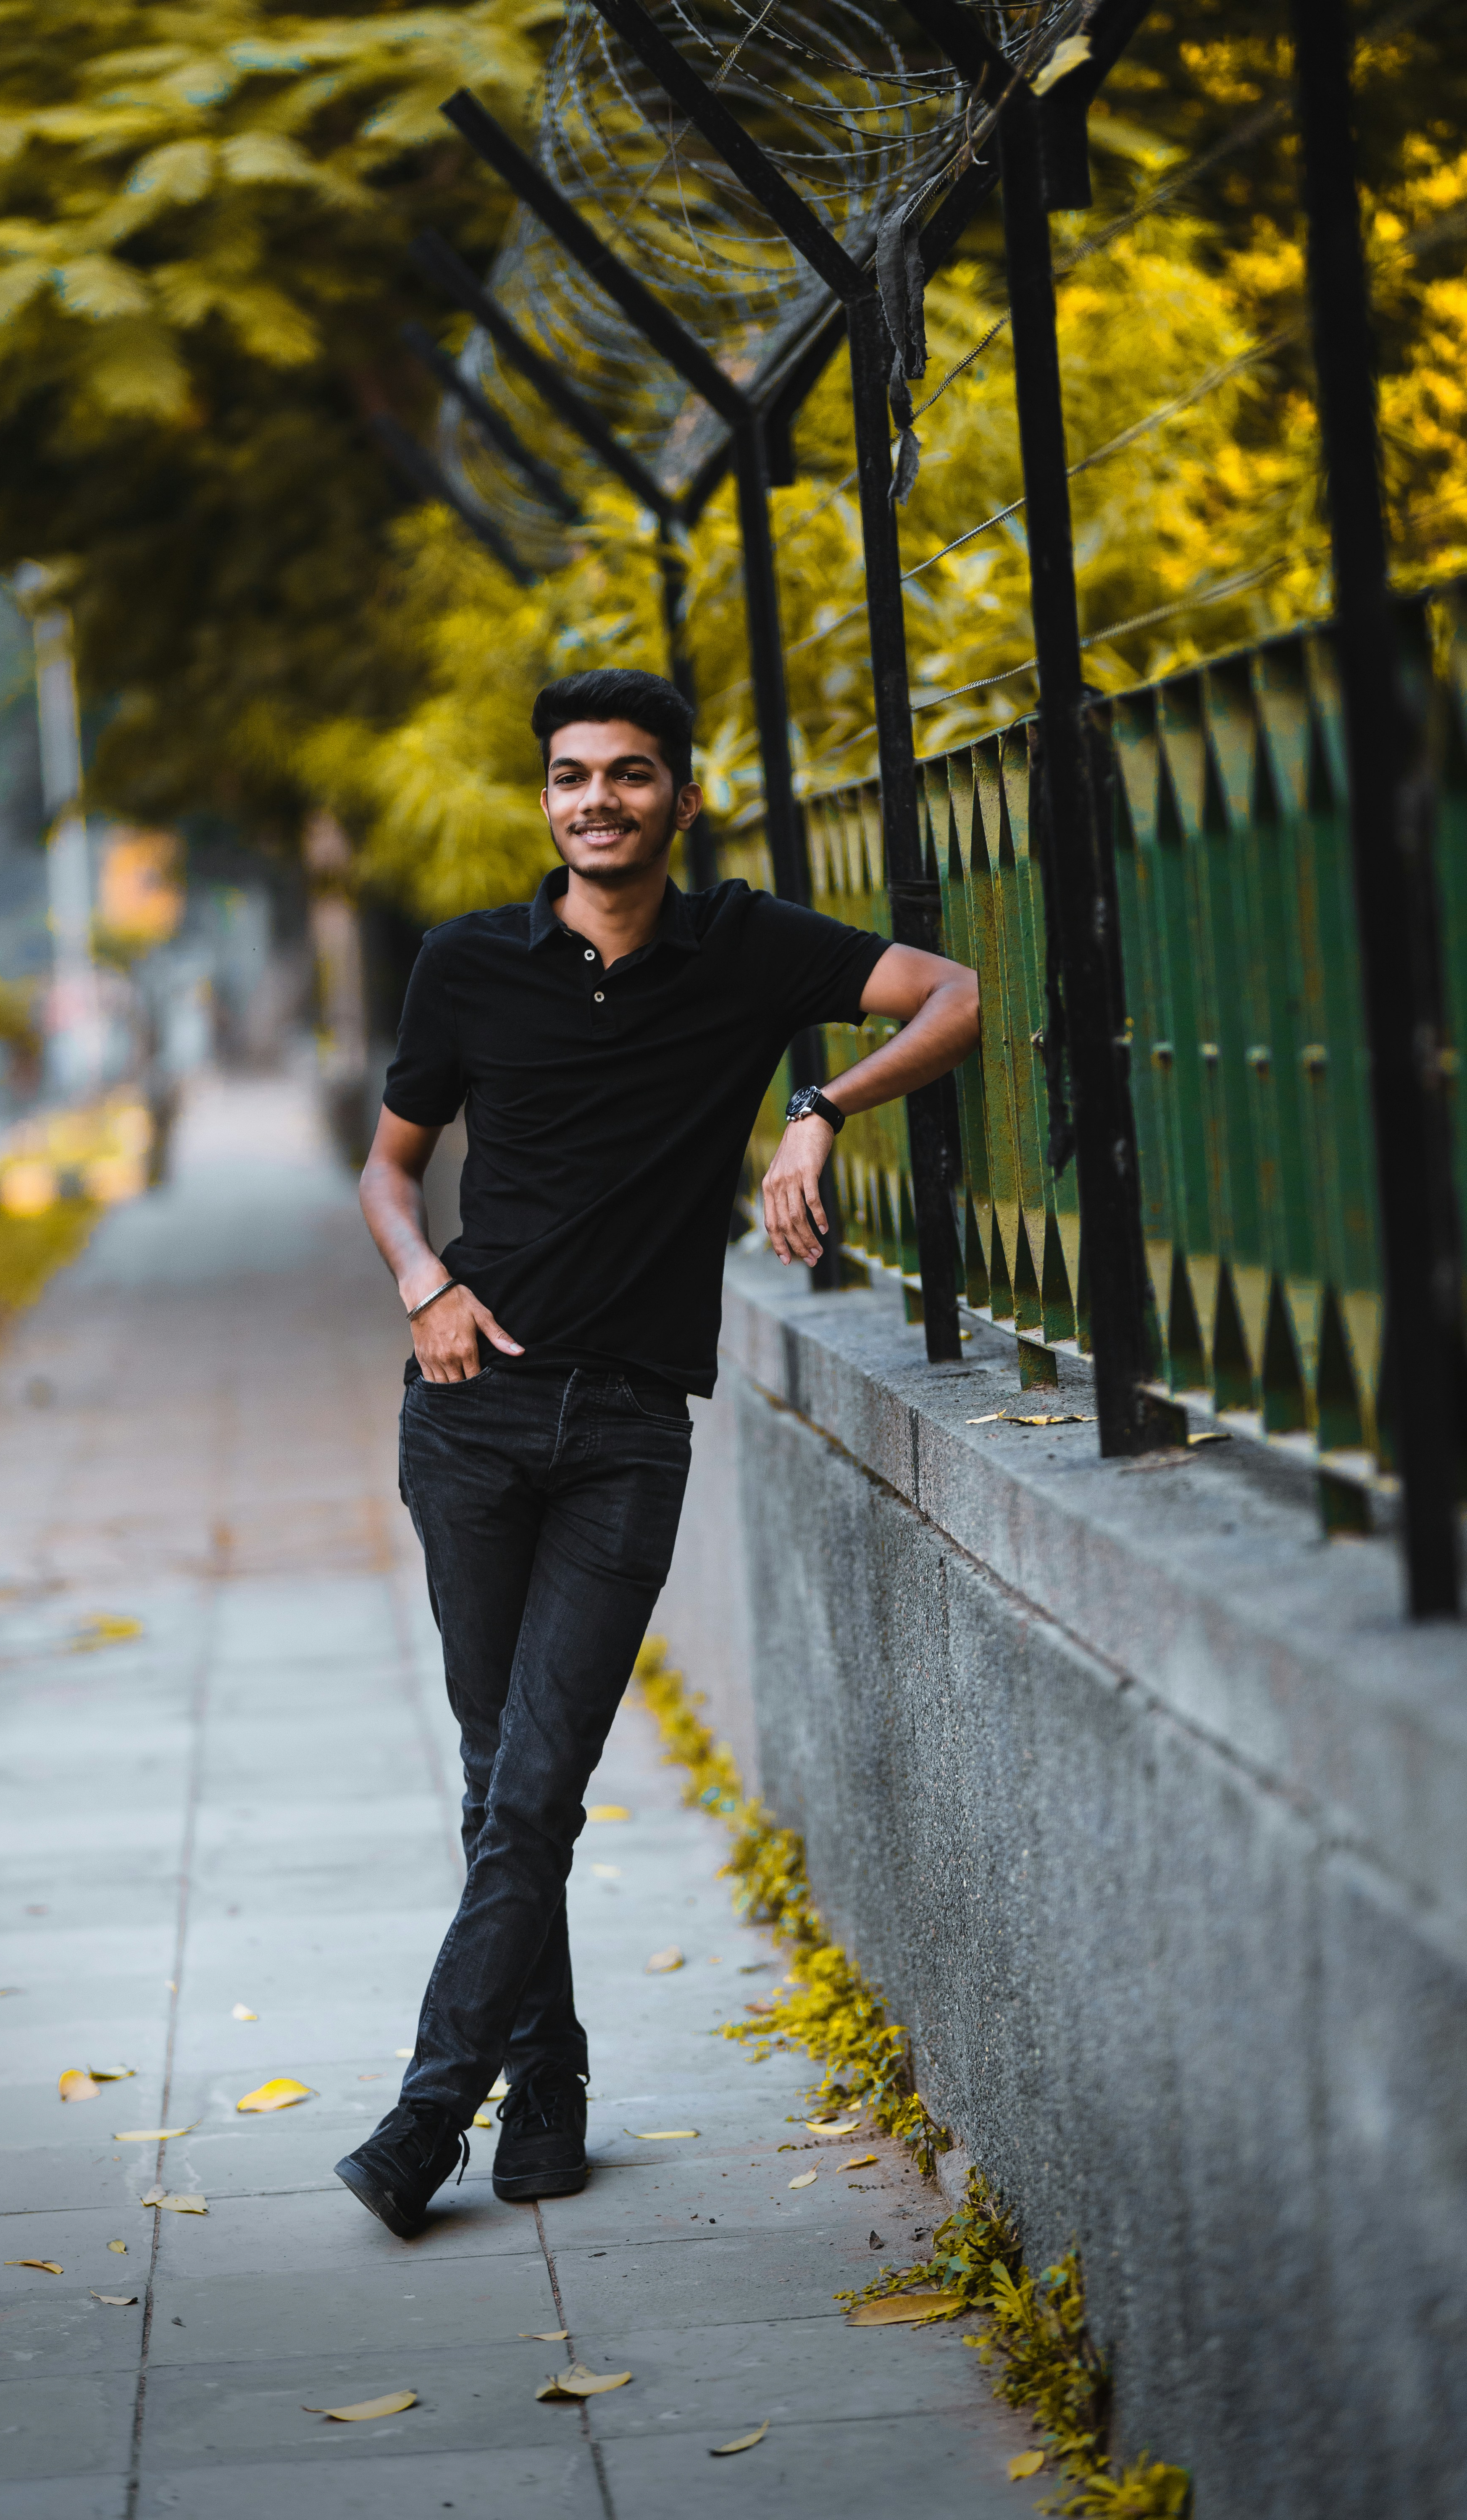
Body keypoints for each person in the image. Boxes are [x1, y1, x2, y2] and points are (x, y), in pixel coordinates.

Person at [340, 666, 979, 2238]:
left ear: (678, 801)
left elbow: (955, 994)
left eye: (629, 776)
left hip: (627, 1429)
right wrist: (423, 1283)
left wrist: (819, 1106)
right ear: (544, 801)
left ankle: (433, 2111)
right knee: (508, 1783)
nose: (597, 801)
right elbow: (388, 1170)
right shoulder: (467, 965)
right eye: (570, 777)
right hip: (469, 1416)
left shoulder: (748, 948)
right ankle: (544, 2092)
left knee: (538, 1782)